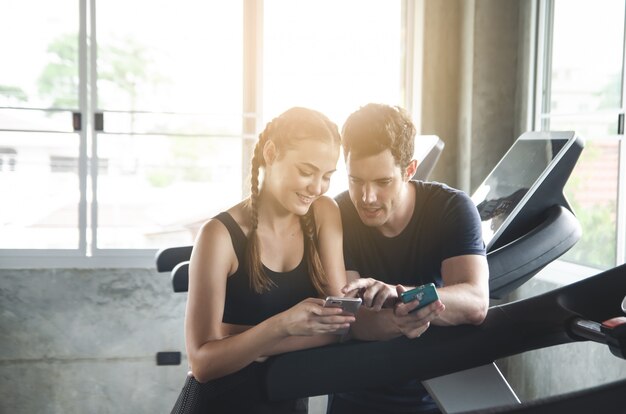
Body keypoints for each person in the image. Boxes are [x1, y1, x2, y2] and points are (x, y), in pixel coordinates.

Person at [184, 107, 355, 413]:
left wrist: (242, 339)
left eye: (327, 176)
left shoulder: (324, 214)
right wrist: (281, 326)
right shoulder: (219, 236)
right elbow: (202, 363)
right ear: (271, 153)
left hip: (286, 399)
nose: (316, 188)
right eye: (306, 171)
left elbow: (338, 327)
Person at [327, 103, 490, 414]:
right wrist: (403, 317)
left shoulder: (451, 209)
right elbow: (352, 320)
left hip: (433, 398)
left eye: (382, 182)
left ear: (410, 169)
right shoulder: (338, 214)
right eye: (356, 180)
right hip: (354, 397)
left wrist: (404, 296)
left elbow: (475, 302)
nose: (367, 197)